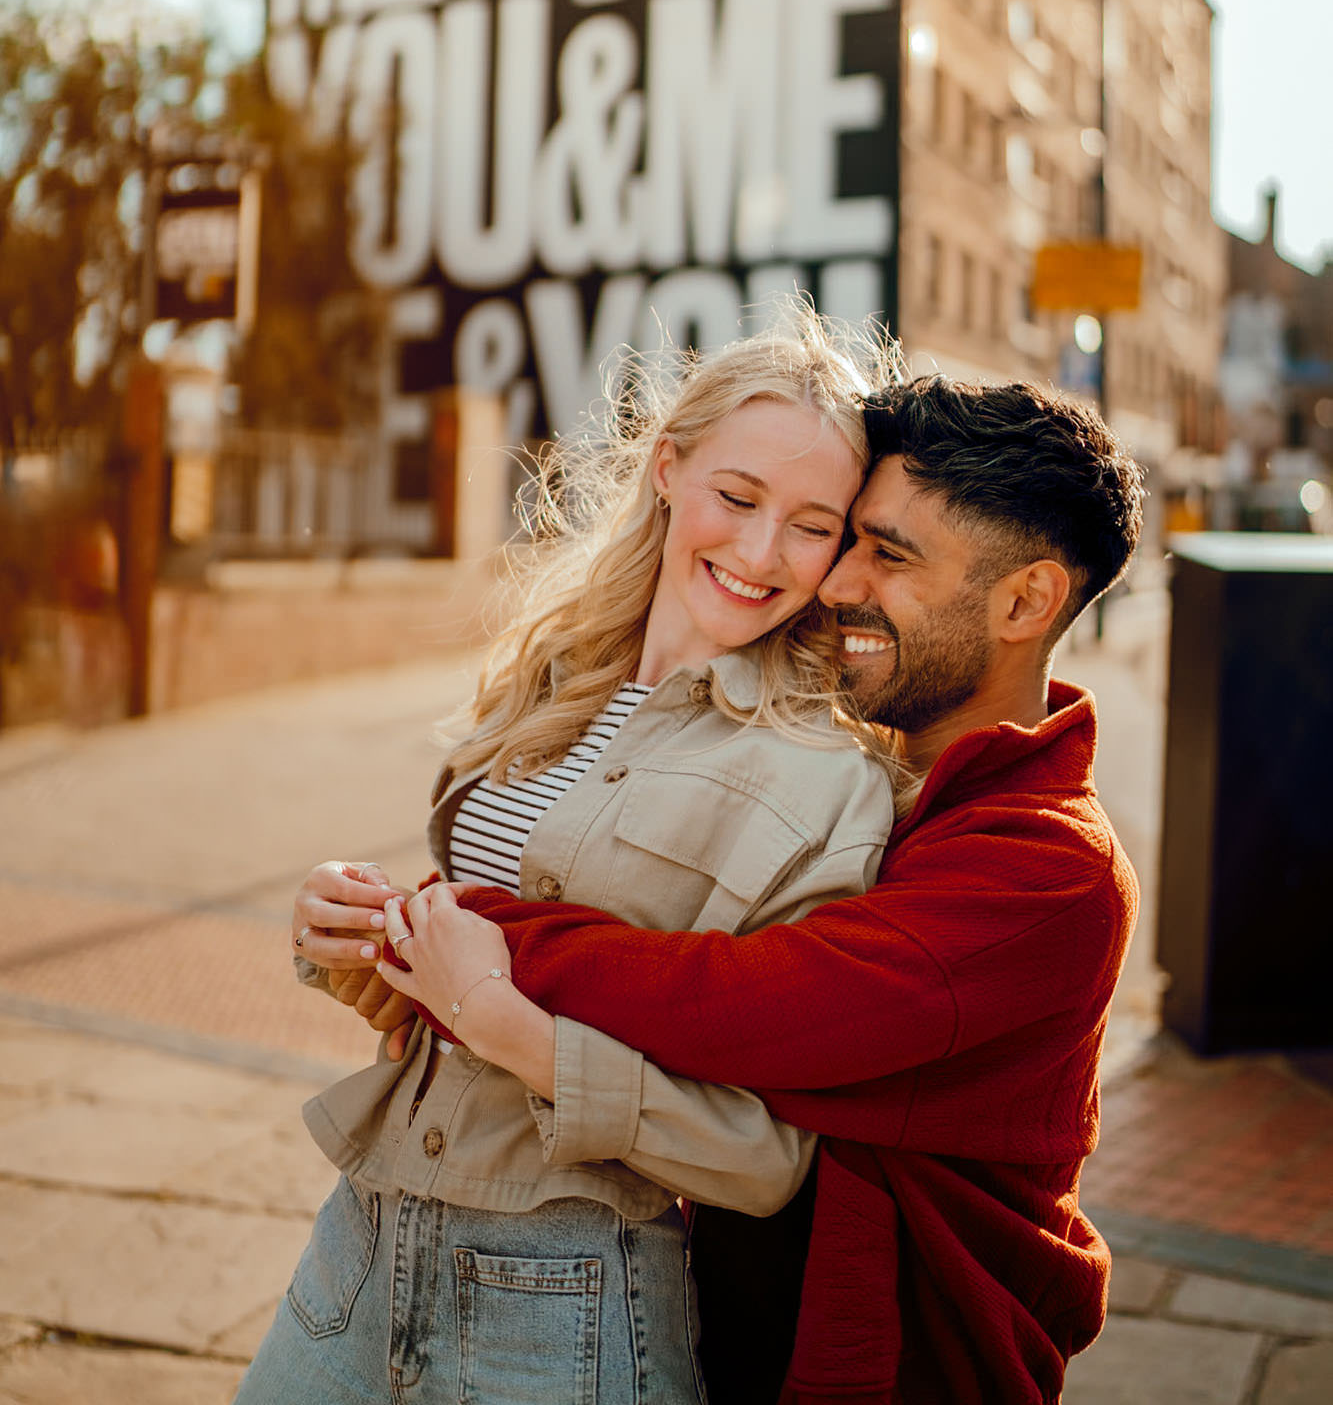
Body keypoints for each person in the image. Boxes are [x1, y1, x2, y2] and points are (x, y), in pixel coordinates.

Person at [367, 374, 1146, 1405]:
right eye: (851, 537)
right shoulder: (891, 780)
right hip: (741, 1334)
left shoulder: (1050, 868)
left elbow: (740, 1002)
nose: (835, 582)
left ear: (1024, 601)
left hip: (902, 1368)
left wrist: (460, 927)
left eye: (889, 552)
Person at [237, 315, 904, 1405]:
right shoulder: (556, 675)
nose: (757, 551)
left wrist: (516, 1030)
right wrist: (352, 937)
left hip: (569, 1299)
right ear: (667, 467)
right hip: (358, 1240)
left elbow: (764, 1155)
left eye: (810, 525)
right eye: (736, 498)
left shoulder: (824, 781)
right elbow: (451, 985)